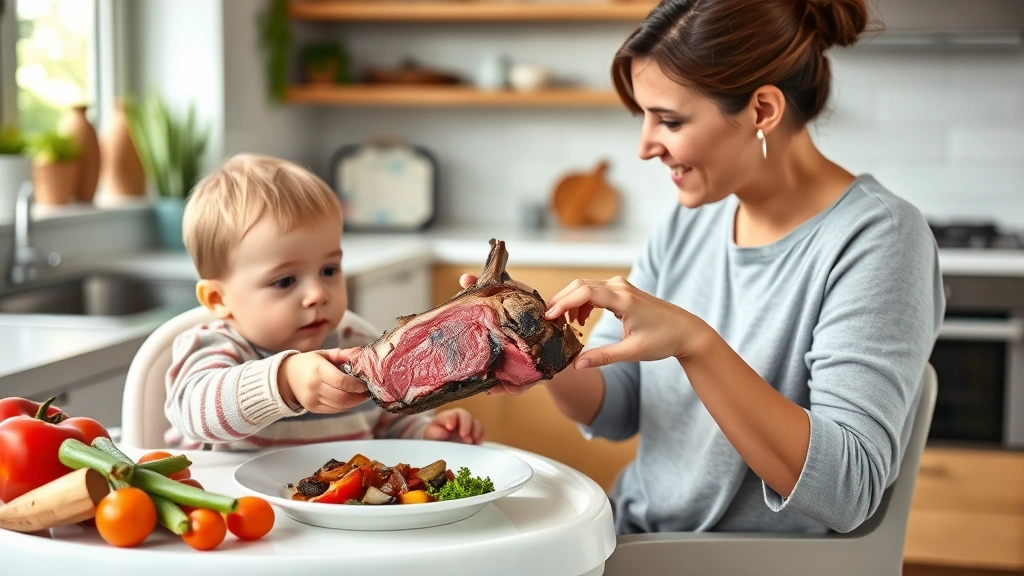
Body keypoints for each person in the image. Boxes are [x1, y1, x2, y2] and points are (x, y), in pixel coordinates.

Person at [462, 0, 944, 535]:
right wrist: (535, 341)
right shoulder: (688, 226)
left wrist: (696, 343)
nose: (645, 147)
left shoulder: (877, 238)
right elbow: (618, 406)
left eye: (669, 120)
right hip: (636, 535)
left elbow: (847, 490)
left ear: (762, 111)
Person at [164, 154, 483, 450]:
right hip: (240, 510)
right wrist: (284, 380)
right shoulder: (214, 345)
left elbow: (388, 422)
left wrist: (427, 433)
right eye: (285, 281)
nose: (318, 293)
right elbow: (194, 414)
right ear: (219, 299)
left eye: (329, 270)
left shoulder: (356, 343)